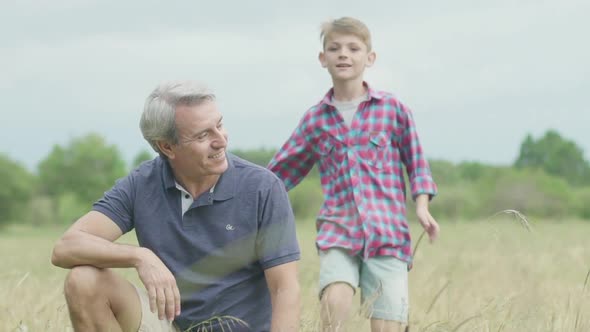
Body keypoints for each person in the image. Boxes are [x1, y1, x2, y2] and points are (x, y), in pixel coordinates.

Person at [51, 80, 301, 332]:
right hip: (170, 326)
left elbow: (285, 289)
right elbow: (66, 247)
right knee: (83, 281)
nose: (221, 140)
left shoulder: (263, 188)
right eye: (203, 135)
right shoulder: (141, 183)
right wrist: (140, 256)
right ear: (167, 146)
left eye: (219, 125)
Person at [267, 17, 439, 332]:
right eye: (334, 48)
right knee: (335, 297)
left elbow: (416, 161)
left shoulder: (392, 109)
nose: (343, 54)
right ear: (323, 59)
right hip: (338, 230)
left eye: (353, 48)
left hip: (387, 232)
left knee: (388, 323)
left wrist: (422, 206)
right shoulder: (316, 120)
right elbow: (279, 173)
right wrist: (242, 199)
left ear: (369, 58)